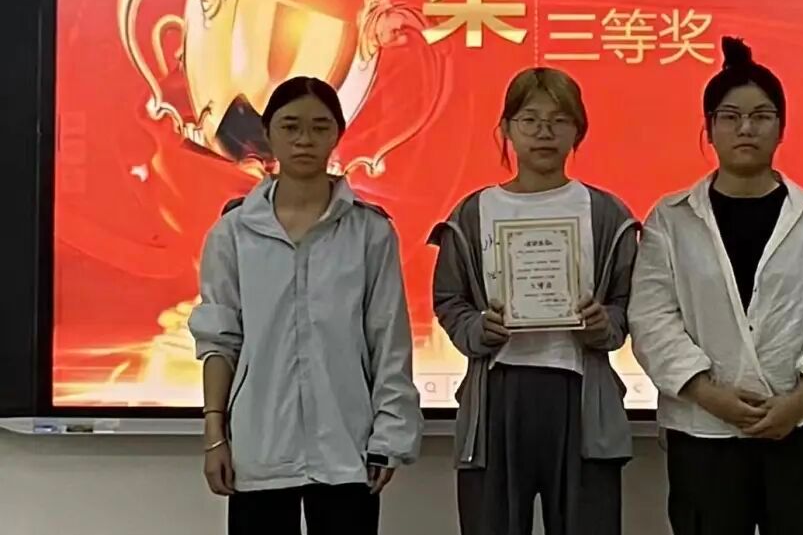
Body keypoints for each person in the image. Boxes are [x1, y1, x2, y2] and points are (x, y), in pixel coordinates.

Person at [628, 37, 803, 535]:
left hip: (799, 430)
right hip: (703, 431)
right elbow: (652, 319)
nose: (746, 128)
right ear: (709, 128)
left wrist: (797, 401)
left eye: (761, 116)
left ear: (781, 127)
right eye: (731, 117)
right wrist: (709, 394)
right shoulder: (671, 219)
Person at [188, 76, 422, 535]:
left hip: (348, 446)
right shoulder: (233, 232)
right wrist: (215, 435)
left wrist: (390, 436)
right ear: (268, 132)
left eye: (319, 127)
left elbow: (388, 342)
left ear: (338, 134)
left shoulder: (370, 232)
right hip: (259, 446)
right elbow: (219, 341)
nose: (304, 139)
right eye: (290, 126)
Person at [429, 67, 639, 535]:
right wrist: (476, 329)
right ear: (506, 128)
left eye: (559, 120)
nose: (544, 132)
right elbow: (449, 299)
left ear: (578, 130)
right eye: (530, 120)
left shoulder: (607, 213)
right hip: (498, 392)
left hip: (580, 392)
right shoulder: (473, 212)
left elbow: (630, 304)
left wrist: (604, 324)